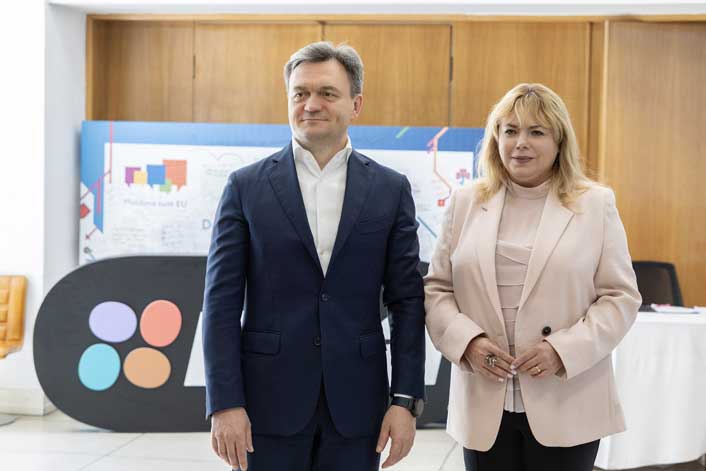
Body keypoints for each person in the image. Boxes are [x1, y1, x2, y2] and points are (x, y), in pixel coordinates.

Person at [202, 41, 426, 471]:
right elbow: (221, 303)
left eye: (327, 93)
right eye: (300, 93)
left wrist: (404, 401)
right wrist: (225, 402)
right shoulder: (245, 187)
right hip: (266, 403)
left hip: (359, 406)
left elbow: (407, 302)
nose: (311, 105)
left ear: (356, 104)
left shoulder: (390, 189)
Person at [424, 83, 641, 471]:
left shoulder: (595, 204)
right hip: (483, 403)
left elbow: (620, 298)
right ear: (496, 138)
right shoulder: (465, 203)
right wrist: (467, 343)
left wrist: (562, 350)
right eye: (510, 130)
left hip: (568, 400)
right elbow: (438, 289)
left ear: (559, 141)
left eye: (536, 132)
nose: (520, 143)